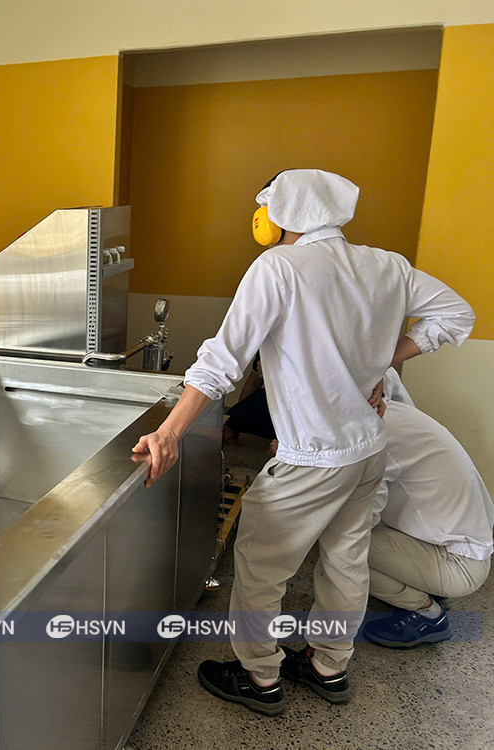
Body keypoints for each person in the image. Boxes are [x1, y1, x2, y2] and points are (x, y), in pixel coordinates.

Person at [132, 169, 474, 716]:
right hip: (368, 450)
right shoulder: (386, 265)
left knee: (261, 566)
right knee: (346, 559)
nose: (260, 216)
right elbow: (457, 313)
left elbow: (223, 360)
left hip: (312, 456)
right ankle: (328, 665)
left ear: (282, 211)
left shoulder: (279, 267)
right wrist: (383, 365)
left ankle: (259, 676)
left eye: (264, 204)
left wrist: (169, 431)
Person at [361, 371, 493, 647]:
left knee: (341, 550)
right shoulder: (395, 412)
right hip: (461, 547)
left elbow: (363, 519)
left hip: (459, 564)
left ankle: (427, 614)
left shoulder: (375, 434)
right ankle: (424, 584)